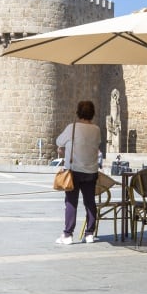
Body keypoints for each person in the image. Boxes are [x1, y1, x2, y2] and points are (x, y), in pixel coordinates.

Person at [55, 100, 102, 245]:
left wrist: (64, 149)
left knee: (71, 202)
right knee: (90, 202)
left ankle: (68, 235)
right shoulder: (96, 129)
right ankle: (89, 234)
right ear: (92, 113)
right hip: (91, 170)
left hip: (74, 171)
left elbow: (59, 142)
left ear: (78, 112)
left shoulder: (72, 127)